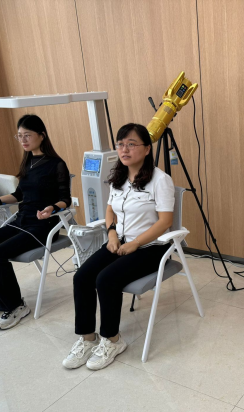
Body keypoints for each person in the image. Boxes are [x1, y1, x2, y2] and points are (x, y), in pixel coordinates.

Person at [62, 123, 174, 371]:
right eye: (121, 144)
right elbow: (110, 210)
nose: (124, 149)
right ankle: (87, 338)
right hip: (119, 242)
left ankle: (112, 340)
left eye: (131, 144)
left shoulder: (160, 180)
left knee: (106, 279)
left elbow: (165, 221)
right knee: (82, 277)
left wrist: (135, 243)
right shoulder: (118, 178)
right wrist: (111, 234)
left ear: (147, 149)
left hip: (151, 248)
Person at [0, 114, 71, 330]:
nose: (23, 140)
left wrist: (52, 208)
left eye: (27, 135)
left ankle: (15, 306)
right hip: (21, 221)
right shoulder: (28, 162)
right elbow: (18, 195)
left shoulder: (56, 164)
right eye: (19, 136)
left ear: (42, 136)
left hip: (42, 225)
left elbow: (66, 199)